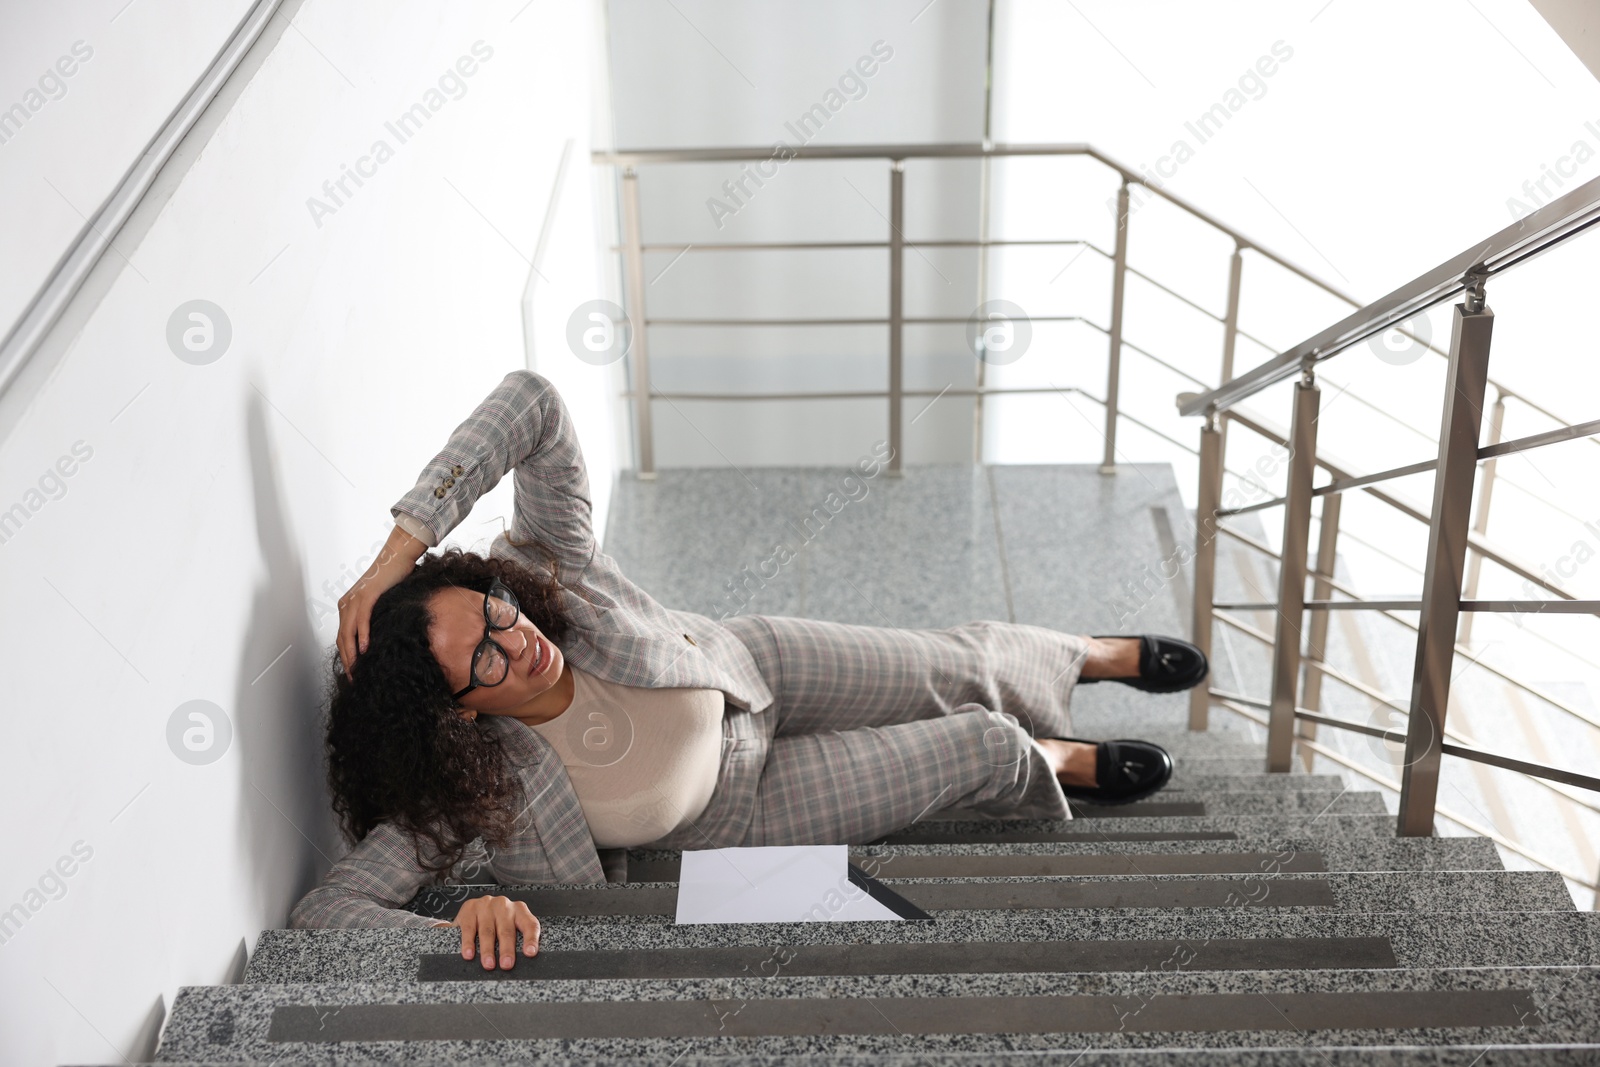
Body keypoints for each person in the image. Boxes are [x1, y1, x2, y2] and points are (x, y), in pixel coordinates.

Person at [290, 370, 1208, 970]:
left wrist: (394, 553)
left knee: (954, 663)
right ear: (455, 714)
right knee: (981, 747)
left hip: (753, 665)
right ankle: (1058, 759)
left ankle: (1090, 654)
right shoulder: (466, 793)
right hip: (744, 811)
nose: (513, 636)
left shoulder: (554, 573)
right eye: (484, 658)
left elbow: (532, 401)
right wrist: (458, 925)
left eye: (493, 609)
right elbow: (328, 914)